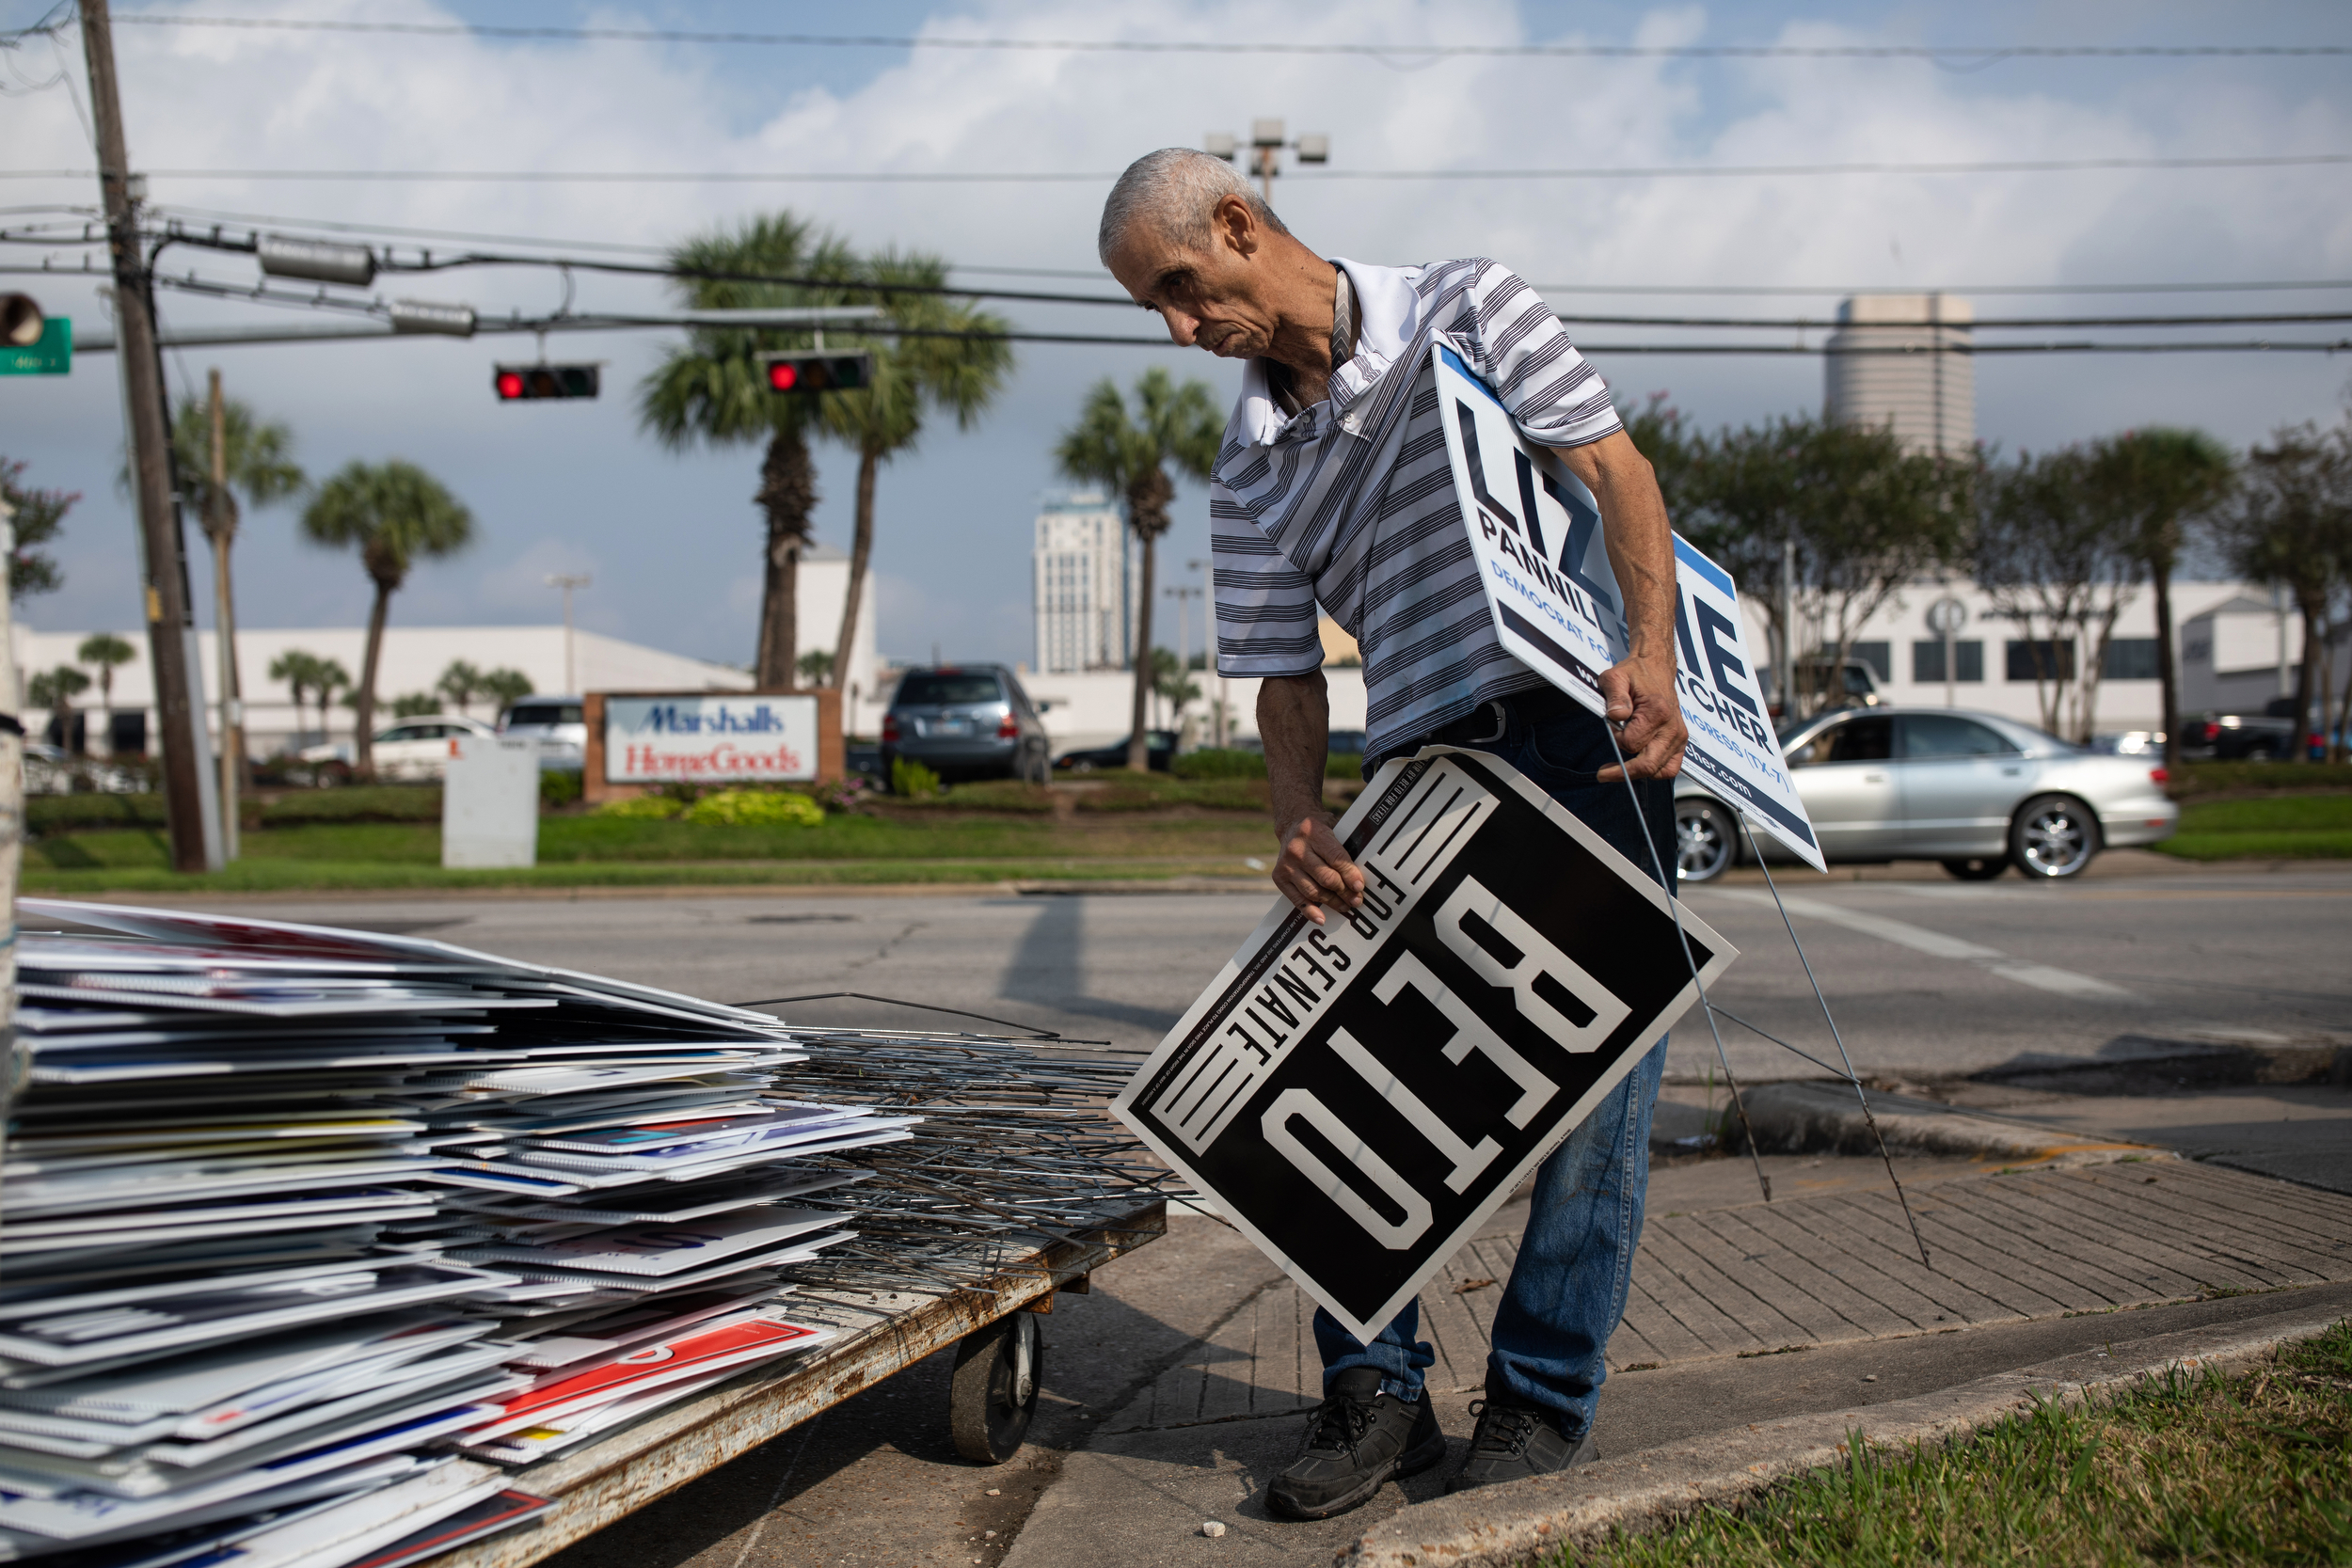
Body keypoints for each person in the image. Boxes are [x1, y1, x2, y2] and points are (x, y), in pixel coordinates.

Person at [1098, 149, 1691, 1520]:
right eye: (1157, 314)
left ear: (1239, 224)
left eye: (1184, 290)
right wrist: (1299, 817)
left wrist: (1649, 654)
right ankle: (1376, 1396)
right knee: (1356, 1081)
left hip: (1580, 735)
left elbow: (1615, 468)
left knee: (1596, 1106)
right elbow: (1284, 673)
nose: (1185, 332)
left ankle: (1540, 1402)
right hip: (1423, 763)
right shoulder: (1246, 470)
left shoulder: (1470, 306)